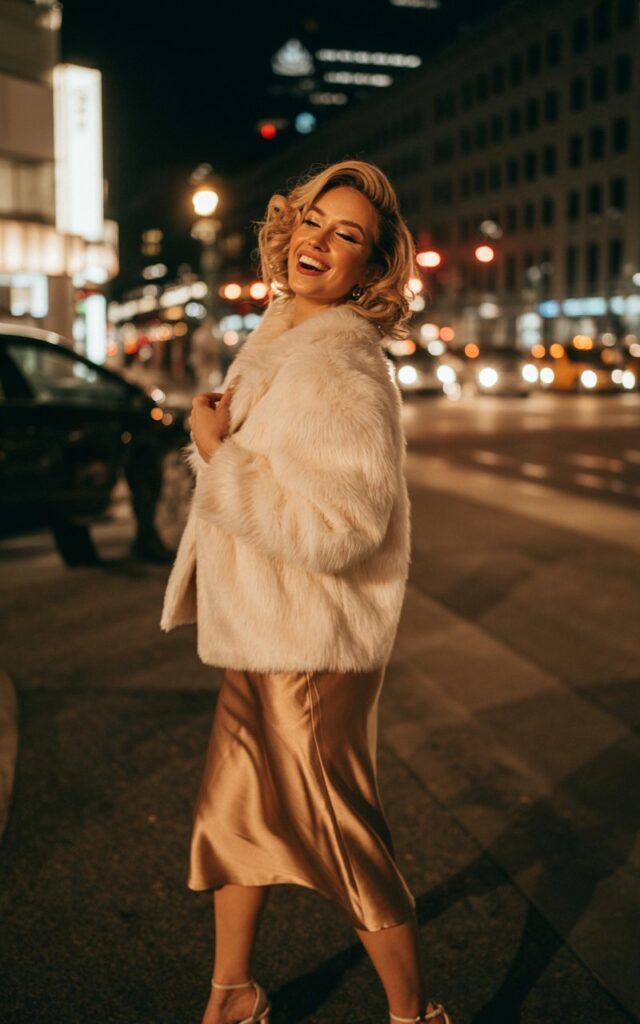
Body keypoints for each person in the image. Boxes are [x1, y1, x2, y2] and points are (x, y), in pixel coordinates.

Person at [161, 160, 452, 1024]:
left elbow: (341, 528)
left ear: (371, 269)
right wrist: (227, 442)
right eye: (315, 222)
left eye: (348, 236)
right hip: (263, 630)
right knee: (234, 809)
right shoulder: (284, 332)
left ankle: (413, 1015)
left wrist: (219, 454)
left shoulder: (341, 366)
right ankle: (232, 994)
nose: (320, 243)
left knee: (340, 833)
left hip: (313, 647)